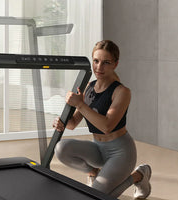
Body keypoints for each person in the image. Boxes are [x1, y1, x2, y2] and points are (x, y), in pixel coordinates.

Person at [53, 40, 152, 199]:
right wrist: (61, 121)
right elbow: (72, 124)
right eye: (96, 61)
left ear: (115, 64)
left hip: (120, 153)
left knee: (95, 196)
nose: (99, 67)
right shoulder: (89, 87)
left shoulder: (122, 92)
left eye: (106, 62)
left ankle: (139, 175)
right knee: (61, 148)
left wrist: (80, 103)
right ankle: (93, 172)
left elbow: (107, 126)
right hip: (98, 149)